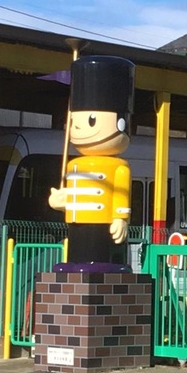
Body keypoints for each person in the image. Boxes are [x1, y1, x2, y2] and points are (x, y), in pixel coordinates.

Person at [48, 55, 135, 268]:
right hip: (76, 220)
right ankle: (73, 264)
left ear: (122, 123)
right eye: (73, 121)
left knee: (98, 251)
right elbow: (74, 193)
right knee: (77, 249)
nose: (77, 127)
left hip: (102, 222)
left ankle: (102, 265)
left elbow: (121, 194)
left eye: (91, 120)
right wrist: (61, 202)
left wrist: (120, 218)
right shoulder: (72, 165)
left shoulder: (119, 167)